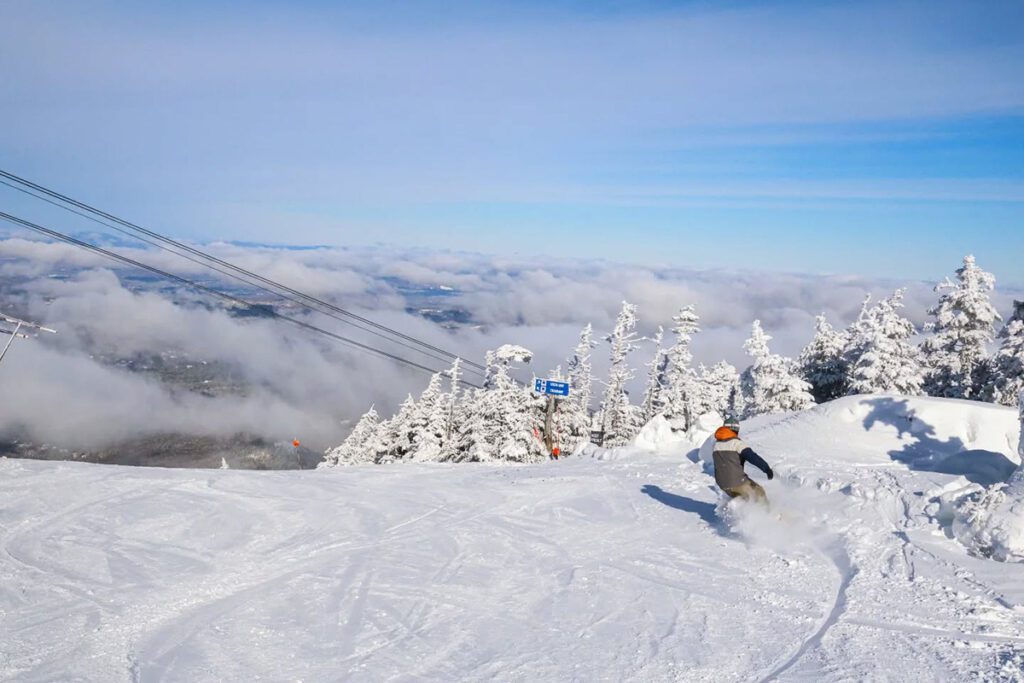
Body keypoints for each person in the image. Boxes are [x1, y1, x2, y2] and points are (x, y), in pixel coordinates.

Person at [712, 417, 774, 505]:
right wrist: (766, 469)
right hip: (737, 482)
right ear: (735, 429)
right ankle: (768, 515)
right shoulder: (737, 444)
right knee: (759, 492)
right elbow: (753, 457)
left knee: (746, 497)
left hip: (722, 484)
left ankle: (743, 513)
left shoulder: (716, 445)